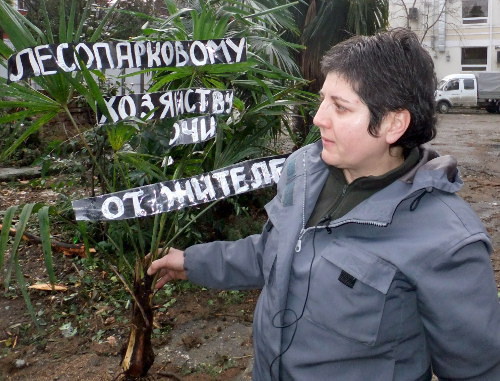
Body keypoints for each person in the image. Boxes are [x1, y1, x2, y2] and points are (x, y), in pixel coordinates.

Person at [148, 28, 500, 380]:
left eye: (340, 107)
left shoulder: (447, 241)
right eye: (323, 100)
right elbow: (274, 252)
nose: (318, 118)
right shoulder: (303, 170)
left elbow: (478, 370)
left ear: (394, 123)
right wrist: (193, 262)